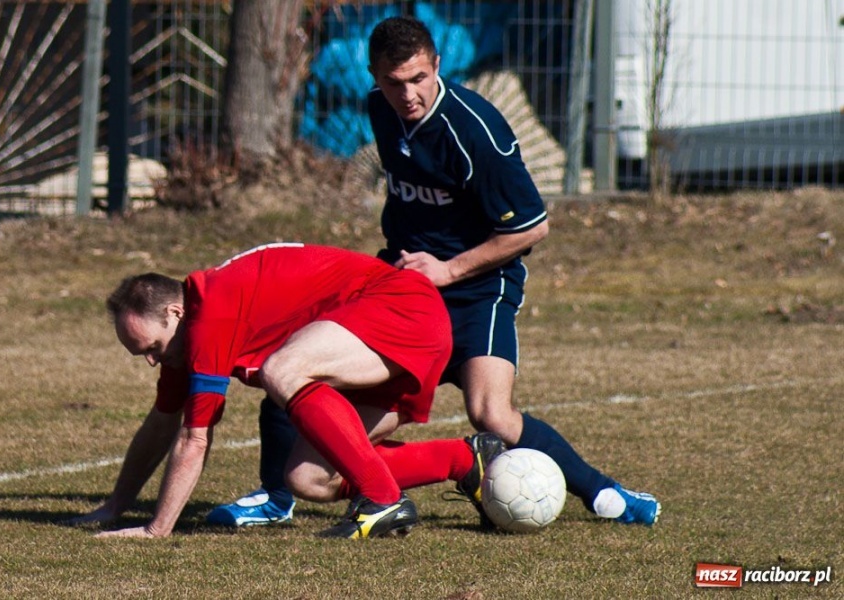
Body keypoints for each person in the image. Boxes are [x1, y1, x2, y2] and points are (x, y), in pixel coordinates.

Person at [209, 16, 660, 529]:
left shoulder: (475, 130)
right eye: (393, 82)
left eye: (419, 79)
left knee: (491, 413)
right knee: (294, 369)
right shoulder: (379, 109)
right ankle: (277, 497)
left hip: (477, 290)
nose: (408, 95)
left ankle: (605, 494)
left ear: (437, 65)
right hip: (400, 292)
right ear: (374, 77)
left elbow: (531, 227)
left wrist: (447, 270)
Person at [65, 242, 507, 539]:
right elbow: (161, 423)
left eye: (152, 348)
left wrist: (156, 530)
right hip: (384, 331)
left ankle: (383, 500)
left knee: (282, 370)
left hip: (403, 308)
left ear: (175, 312)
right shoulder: (182, 339)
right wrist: (116, 505)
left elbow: (194, 437)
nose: (151, 360)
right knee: (307, 479)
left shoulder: (209, 319)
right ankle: (465, 460)